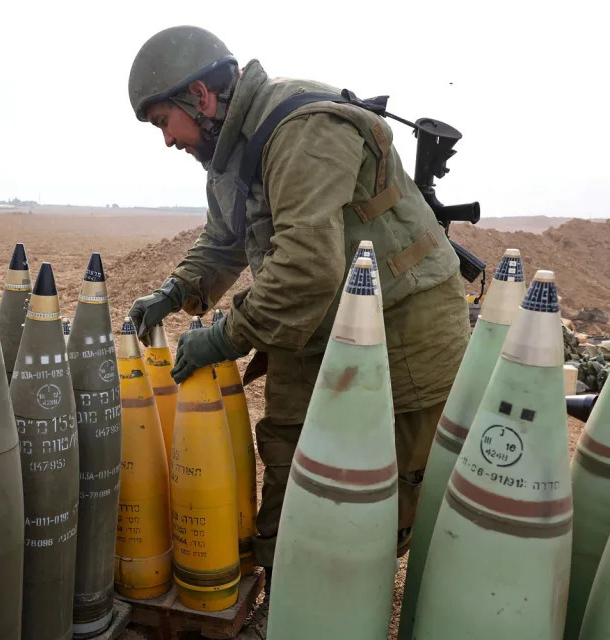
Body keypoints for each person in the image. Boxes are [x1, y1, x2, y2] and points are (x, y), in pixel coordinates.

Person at [127, 24, 471, 634]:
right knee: (287, 452)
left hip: (402, 324)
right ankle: (286, 600)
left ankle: (346, 599)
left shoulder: (303, 130)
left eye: (163, 123)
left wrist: (225, 335)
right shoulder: (228, 154)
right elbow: (225, 240)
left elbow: (306, 270)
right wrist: (176, 291)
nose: (166, 141)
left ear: (201, 98)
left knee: (391, 479)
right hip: (315, 325)